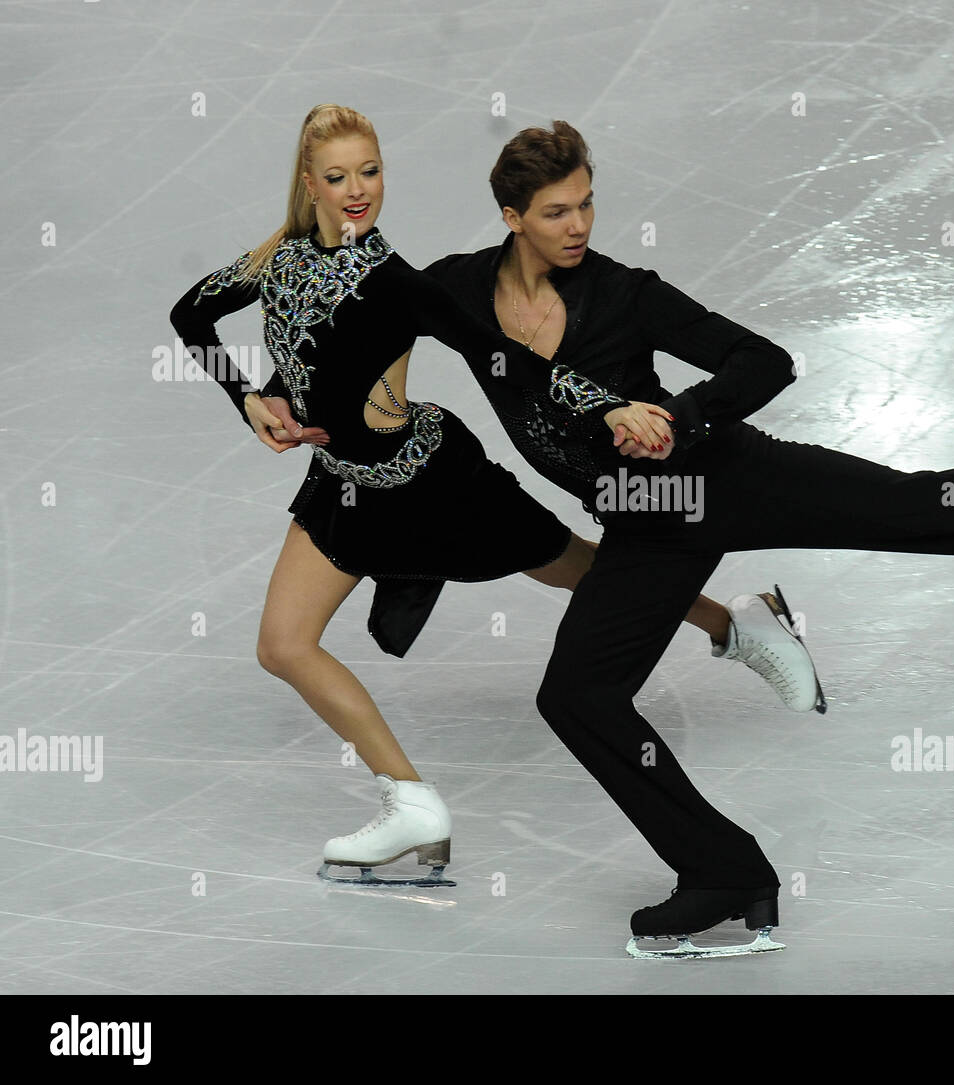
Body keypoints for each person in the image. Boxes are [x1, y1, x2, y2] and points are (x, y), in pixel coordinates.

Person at [423, 120, 954, 952]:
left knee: (926, 507)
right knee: (576, 697)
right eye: (558, 212)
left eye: (588, 204)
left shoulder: (626, 293)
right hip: (646, 516)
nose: (580, 226)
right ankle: (724, 872)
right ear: (510, 216)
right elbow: (360, 318)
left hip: (726, 476)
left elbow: (763, 360)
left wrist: (682, 414)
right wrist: (285, 399)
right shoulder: (457, 294)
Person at [169, 105, 821, 887]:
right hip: (345, 487)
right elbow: (193, 313)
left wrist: (606, 405)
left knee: (576, 567)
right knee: (282, 644)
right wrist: (249, 396)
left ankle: (737, 623)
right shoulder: (275, 256)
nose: (357, 191)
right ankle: (410, 801)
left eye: (371, 172)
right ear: (308, 181)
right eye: (338, 176)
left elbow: (511, 359)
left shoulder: (397, 282)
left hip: (431, 482)